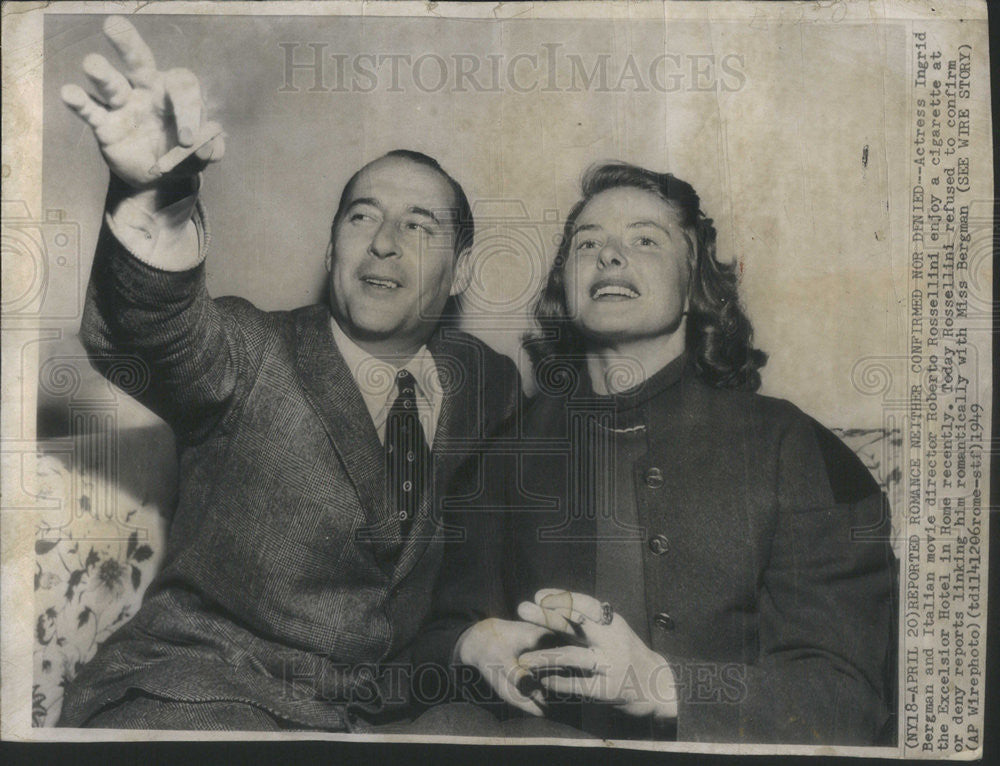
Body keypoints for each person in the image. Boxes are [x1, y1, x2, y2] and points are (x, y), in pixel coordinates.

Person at [56, 17, 521, 730]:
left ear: (460, 272)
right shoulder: (254, 349)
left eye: (419, 226)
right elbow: (154, 332)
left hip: (366, 717)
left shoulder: (483, 381)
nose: (385, 244)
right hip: (198, 691)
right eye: (362, 217)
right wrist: (154, 209)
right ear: (333, 247)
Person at [414, 161, 897, 744]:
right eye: (587, 242)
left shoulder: (794, 450)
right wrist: (468, 644)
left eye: (645, 239)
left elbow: (849, 701)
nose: (609, 255)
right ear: (564, 285)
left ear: (695, 285)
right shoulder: (503, 455)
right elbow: (425, 645)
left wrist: (663, 686)